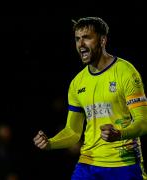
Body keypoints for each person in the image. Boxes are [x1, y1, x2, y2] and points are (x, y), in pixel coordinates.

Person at [33, 17, 147, 180]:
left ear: (102, 40)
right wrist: (50, 143)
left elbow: (143, 122)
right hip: (88, 165)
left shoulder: (126, 73)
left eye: (87, 37)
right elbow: (73, 132)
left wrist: (119, 134)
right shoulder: (77, 83)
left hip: (123, 165)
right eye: (77, 39)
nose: (81, 44)